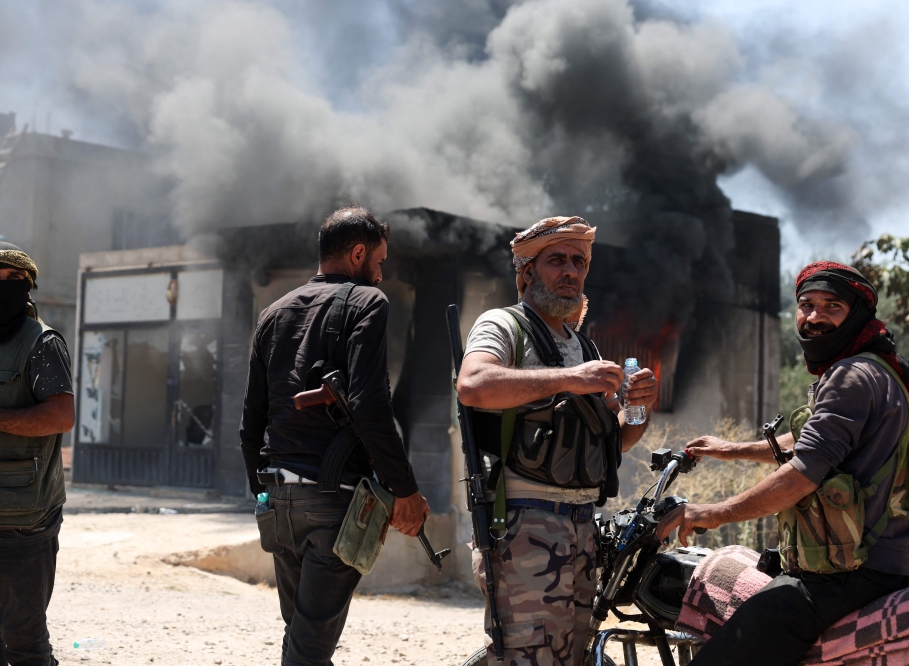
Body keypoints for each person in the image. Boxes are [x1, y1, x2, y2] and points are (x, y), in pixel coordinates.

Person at [655, 261, 909, 666]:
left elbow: (802, 474)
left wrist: (709, 513)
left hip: (844, 577)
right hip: (882, 566)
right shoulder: (878, 370)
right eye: (806, 305)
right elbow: (815, 440)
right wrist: (731, 449)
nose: (814, 317)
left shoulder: (850, 375)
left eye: (832, 306)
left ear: (858, 316)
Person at [457, 216, 658, 666]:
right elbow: (472, 384)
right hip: (524, 525)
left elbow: (617, 442)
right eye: (557, 260)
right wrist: (570, 378)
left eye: (579, 262)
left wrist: (640, 407)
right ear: (528, 271)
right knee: (528, 657)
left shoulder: (585, 348)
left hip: (583, 529)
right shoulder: (504, 325)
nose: (570, 271)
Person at [240, 205, 430, 666]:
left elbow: (251, 421)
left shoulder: (272, 313)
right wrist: (404, 490)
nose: (380, 275)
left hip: (277, 501)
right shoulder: (368, 302)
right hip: (332, 504)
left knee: (301, 640)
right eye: (378, 262)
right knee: (307, 650)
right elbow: (370, 405)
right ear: (358, 254)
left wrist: (263, 494)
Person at [0, 242, 75, 666]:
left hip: (23, 519)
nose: (3, 286)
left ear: (28, 287)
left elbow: (60, 416)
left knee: (24, 642)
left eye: (13, 279)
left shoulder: (41, 343)